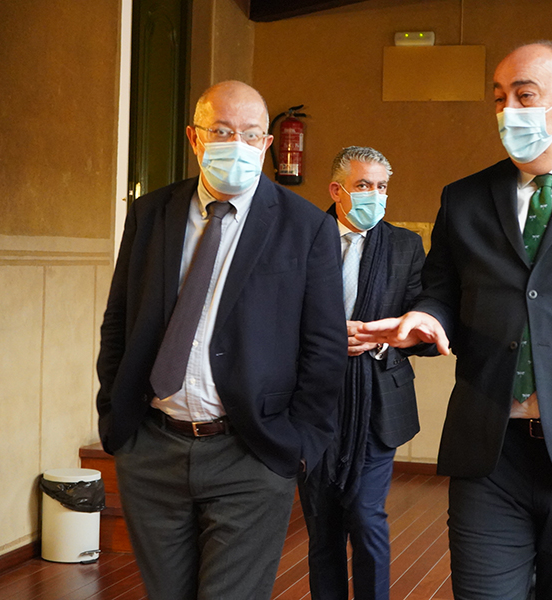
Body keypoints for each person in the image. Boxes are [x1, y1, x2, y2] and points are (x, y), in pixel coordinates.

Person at [357, 41, 552, 600]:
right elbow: (442, 292)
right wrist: (424, 318)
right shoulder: (464, 197)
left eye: (524, 96)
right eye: (499, 98)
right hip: (491, 452)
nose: (508, 111)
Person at [95, 80, 347, 600]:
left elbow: (324, 349)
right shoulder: (150, 213)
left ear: (267, 144)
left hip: (251, 452)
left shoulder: (305, 228)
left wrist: (296, 447)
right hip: (152, 449)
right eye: (222, 131)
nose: (238, 144)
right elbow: (119, 320)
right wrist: (115, 419)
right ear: (194, 138)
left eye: (251, 134)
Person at [297, 146, 430, 600]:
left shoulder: (405, 246)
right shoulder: (304, 238)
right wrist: (324, 337)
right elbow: (276, 315)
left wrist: (381, 338)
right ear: (336, 191)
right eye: (363, 185)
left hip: (377, 404)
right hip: (313, 405)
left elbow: (422, 326)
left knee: (366, 517)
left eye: (382, 186)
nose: (375, 194)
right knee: (322, 526)